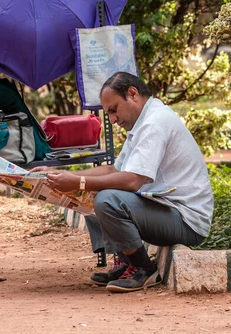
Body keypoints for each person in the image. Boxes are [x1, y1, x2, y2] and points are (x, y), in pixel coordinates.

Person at [31, 72, 213, 293]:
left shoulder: (154, 123)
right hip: (166, 210)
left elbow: (133, 181)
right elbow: (114, 170)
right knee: (93, 193)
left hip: (186, 221)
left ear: (132, 94)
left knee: (106, 198)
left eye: (113, 110)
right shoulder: (143, 121)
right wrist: (58, 174)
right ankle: (126, 263)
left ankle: (144, 269)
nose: (112, 120)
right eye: (108, 113)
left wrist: (78, 181)